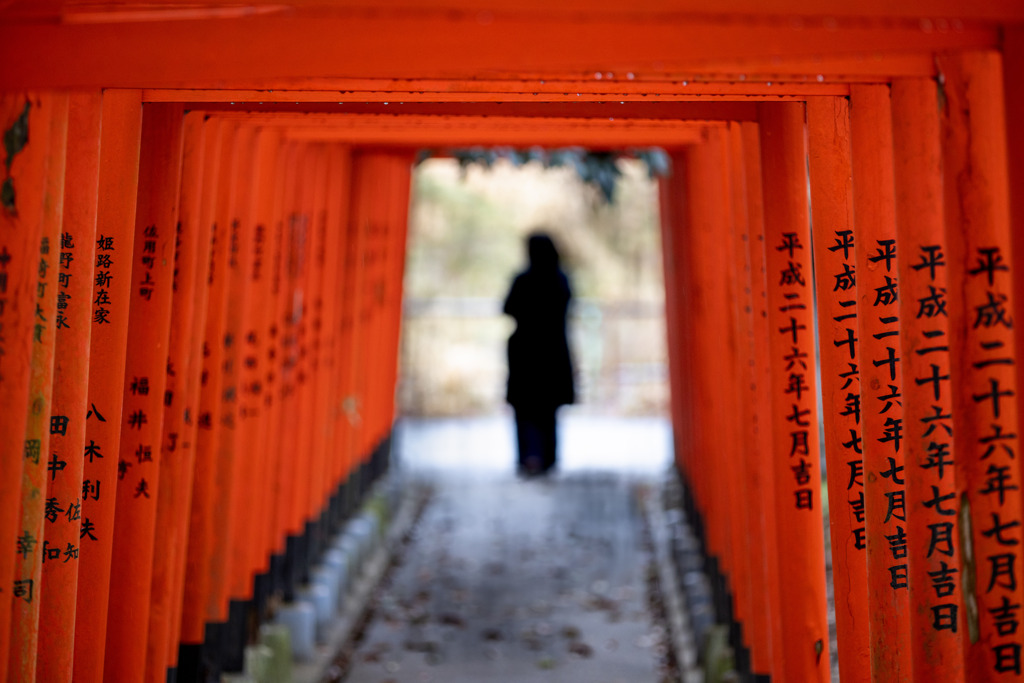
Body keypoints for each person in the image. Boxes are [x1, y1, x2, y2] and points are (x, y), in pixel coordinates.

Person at [503, 232, 575, 475]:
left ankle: (526, 458)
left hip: (525, 351)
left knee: (524, 410)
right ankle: (549, 459)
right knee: (549, 409)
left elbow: (507, 308)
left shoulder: (523, 280)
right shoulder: (561, 280)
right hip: (553, 352)